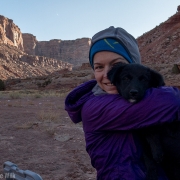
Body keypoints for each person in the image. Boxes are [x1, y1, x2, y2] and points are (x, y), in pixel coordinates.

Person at [65, 26, 180, 180]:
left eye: (117, 66)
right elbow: (173, 101)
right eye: (99, 67)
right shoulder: (95, 108)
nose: (107, 75)